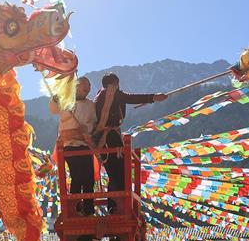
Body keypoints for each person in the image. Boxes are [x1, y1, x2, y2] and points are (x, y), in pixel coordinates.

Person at [92, 73, 166, 213]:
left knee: (115, 173)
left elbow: (125, 99)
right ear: (114, 83)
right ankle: (116, 207)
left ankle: (115, 206)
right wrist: (153, 97)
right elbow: (129, 97)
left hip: (103, 139)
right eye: (117, 84)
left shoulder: (100, 96)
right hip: (110, 138)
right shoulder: (111, 92)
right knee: (118, 173)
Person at [51, 75, 97, 215]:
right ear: (76, 86)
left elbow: (93, 123)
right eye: (84, 85)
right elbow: (54, 110)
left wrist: (86, 128)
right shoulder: (66, 102)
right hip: (69, 144)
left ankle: (88, 209)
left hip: (84, 144)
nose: (87, 88)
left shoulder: (91, 105)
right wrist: (55, 98)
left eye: (88, 86)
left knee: (89, 178)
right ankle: (75, 208)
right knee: (77, 176)